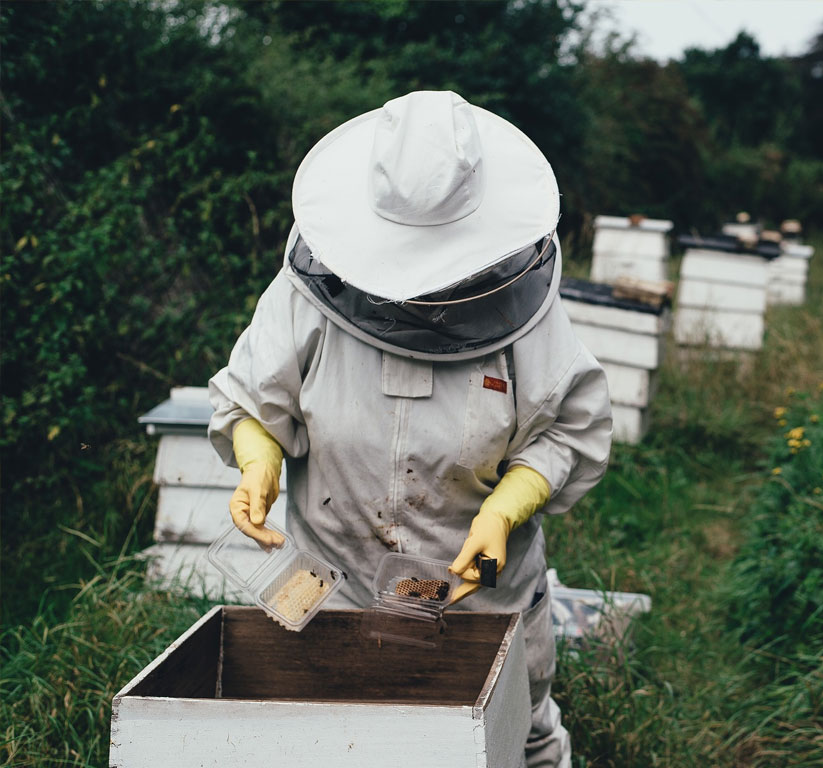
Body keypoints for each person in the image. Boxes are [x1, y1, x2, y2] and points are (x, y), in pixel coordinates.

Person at [208, 90, 612, 768]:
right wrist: (258, 458)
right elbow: (253, 397)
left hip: (479, 598)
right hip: (333, 590)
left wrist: (506, 510)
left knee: (517, 734)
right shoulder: (304, 299)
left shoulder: (527, 317)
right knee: (345, 740)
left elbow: (565, 431)